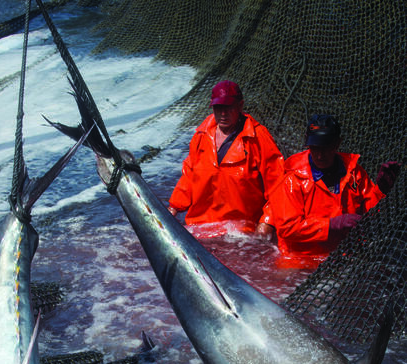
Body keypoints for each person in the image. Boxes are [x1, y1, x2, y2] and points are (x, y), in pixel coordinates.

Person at [257, 113, 401, 268]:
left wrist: (380, 190)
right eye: (315, 147)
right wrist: (330, 225)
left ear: (337, 144)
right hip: (298, 262)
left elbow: (367, 216)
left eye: (326, 147)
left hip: (342, 259)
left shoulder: (355, 173)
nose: (319, 154)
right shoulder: (293, 178)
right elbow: (288, 228)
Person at [167, 80, 284, 237]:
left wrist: (267, 223)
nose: (223, 114)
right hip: (201, 229)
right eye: (218, 108)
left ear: (240, 106)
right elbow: (189, 176)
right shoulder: (201, 136)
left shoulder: (258, 137)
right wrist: (173, 208)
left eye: (228, 108)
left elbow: (278, 184)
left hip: (241, 234)